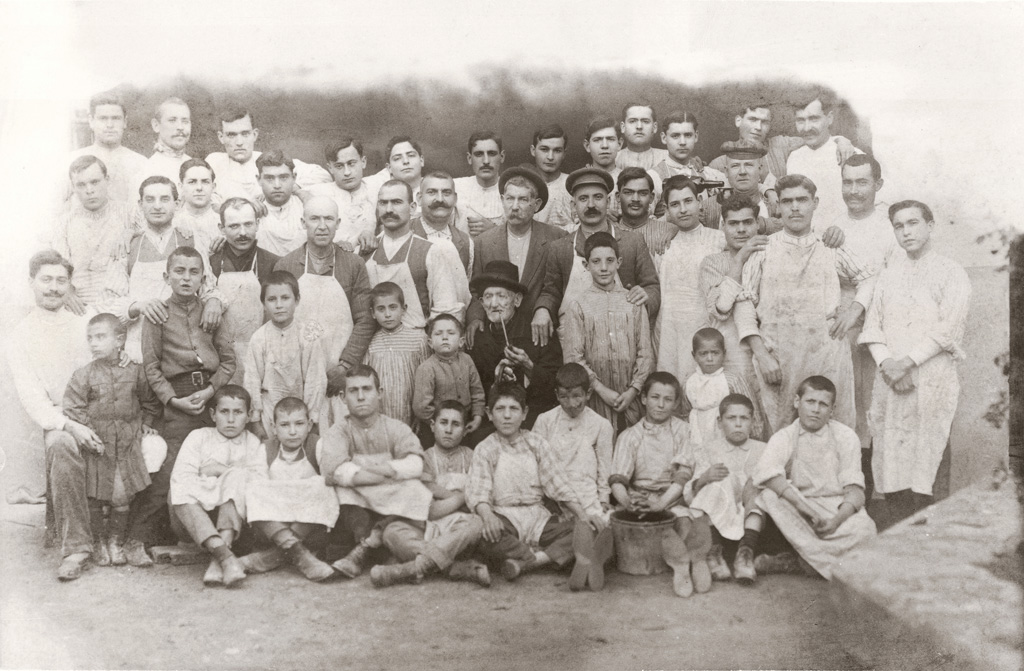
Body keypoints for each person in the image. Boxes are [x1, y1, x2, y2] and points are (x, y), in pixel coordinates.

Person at [734, 175, 874, 434]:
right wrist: (762, 355)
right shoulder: (763, 249)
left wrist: (852, 312)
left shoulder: (830, 246)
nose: (795, 207)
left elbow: (869, 278)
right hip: (778, 359)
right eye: (787, 201)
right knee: (781, 434)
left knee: (831, 432)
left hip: (826, 356)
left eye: (802, 200)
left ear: (815, 203)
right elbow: (744, 303)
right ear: (779, 206)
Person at [859, 200, 971, 522]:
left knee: (928, 457)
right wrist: (887, 366)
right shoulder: (888, 276)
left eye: (913, 223)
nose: (906, 231)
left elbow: (948, 329)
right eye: (899, 226)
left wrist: (906, 363)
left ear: (930, 225)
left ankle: (927, 543)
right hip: (892, 382)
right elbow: (873, 327)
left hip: (929, 380)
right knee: (890, 455)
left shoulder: (951, 272)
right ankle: (897, 538)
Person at [136, 246, 236, 552]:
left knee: (217, 460)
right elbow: (151, 368)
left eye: (194, 272)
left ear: (203, 278)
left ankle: (224, 530)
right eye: (179, 271)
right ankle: (147, 536)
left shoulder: (213, 311)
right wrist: (172, 401)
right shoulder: (157, 316)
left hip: (211, 395)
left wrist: (210, 391)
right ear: (167, 276)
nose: (186, 278)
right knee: (174, 464)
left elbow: (229, 361)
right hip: (177, 399)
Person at [7, 252, 95, 577]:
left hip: (95, 410)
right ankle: (76, 548)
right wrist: (69, 424)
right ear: (32, 283)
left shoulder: (84, 324)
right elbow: (33, 399)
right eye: (46, 280)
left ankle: (127, 539)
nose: (54, 288)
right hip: (58, 417)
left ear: (69, 285)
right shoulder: (20, 337)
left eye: (61, 281)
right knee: (60, 444)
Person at [467, 382, 606, 585]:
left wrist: (583, 516)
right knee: (483, 535)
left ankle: (528, 562)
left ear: (524, 413)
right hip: (505, 516)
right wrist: (488, 517)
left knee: (587, 530)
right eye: (500, 409)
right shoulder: (485, 448)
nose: (507, 416)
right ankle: (548, 557)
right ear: (489, 413)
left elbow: (558, 485)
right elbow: (479, 491)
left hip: (538, 518)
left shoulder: (536, 443)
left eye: (513, 409)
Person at [751, 376, 877, 580]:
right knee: (769, 495)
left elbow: (855, 491)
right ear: (797, 402)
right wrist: (806, 510)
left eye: (823, 404)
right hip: (801, 505)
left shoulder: (845, 436)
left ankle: (801, 563)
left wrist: (837, 520)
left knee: (867, 530)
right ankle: (817, 561)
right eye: (810, 402)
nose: (816, 409)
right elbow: (767, 474)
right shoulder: (785, 436)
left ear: (832, 410)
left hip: (835, 506)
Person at [63, 313, 162, 568]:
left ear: (120, 340)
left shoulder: (135, 371)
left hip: (127, 445)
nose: (93, 343)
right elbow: (73, 407)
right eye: (90, 338)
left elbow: (150, 403)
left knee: (120, 496)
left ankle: (116, 541)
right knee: (94, 496)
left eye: (100, 337)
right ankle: (98, 542)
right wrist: (87, 432)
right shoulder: (83, 374)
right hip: (98, 445)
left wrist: (146, 425)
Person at [320, 365, 434, 578]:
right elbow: (337, 471)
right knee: (341, 487)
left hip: (392, 503)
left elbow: (416, 463)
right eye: (354, 391)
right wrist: (386, 474)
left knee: (413, 487)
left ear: (379, 393)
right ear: (343, 397)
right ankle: (372, 544)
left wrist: (378, 470)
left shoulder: (395, 428)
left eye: (367, 389)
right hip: (358, 505)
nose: (361, 397)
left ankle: (367, 547)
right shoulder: (338, 431)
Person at [816, 154, 897, 453]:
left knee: (883, 399)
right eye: (847, 182)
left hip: (886, 322)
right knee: (852, 400)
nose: (853, 190)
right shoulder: (834, 227)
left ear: (878, 184)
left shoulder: (891, 225)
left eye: (861, 182)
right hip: (849, 326)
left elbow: (886, 276)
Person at [532, 167, 660, 348]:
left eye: (598, 197)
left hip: (623, 341)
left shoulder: (632, 242)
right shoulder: (560, 248)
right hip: (574, 341)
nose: (591, 205)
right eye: (583, 199)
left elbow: (652, 287)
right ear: (572, 205)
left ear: (608, 201)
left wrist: (645, 295)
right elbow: (551, 291)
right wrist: (543, 309)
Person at [609, 372, 711, 598]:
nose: (661, 404)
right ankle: (680, 559)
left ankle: (686, 563)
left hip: (672, 497)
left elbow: (683, 475)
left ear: (676, 403)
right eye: (655, 397)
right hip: (641, 500)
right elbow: (618, 479)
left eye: (668, 399)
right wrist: (629, 502)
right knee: (618, 523)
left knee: (685, 520)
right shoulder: (630, 436)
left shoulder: (684, 431)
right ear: (644, 398)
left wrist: (662, 504)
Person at [275, 196, 374, 425]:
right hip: (297, 374)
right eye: (314, 219)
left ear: (338, 223)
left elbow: (365, 319)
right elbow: (276, 323)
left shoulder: (353, 264)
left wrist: (345, 367)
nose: (322, 226)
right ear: (303, 222)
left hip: (340, 374)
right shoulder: (286, 265)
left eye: (328, 219)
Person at [370, 401, 490, 588]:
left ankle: (412, 568)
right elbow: (431, 511)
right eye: (443, 423)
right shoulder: (423, 459)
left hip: (459, 529)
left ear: (465, 430)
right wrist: (460, 497)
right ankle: (455, 568)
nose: (448, 429)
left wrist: (446, 497)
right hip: (428, 527)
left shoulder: (472, 456)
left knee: (476, 524)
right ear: (433, 426)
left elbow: (474, 503)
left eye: (456, 424)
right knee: (392, 532)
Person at [106, 175, 223, 363]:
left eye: (164, 199)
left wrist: (214, 301)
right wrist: (137, 306)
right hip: (139, 352)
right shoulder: (127, 246)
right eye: (150, 200)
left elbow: (208, 288)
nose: (157, 206)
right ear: (140, 204)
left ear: (177, 204)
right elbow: (108, 301)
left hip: (184, 350)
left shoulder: (191, 240)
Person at [169, 385, 264, 587]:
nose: (231, 420)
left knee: (238, 479)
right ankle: (225, 556)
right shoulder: (199, 437)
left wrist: (219, 471)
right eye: (224, 412)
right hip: (193, 523)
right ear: (213, 414)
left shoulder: (252, 443)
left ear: (248, 416)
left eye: (238, 412)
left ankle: (220, 557)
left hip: (236, 526)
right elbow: (181, 478)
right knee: (178, 487)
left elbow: (260, 482)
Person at [562, 232, 653, 435]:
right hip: (596, 399)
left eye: (610, 261)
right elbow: (574, 357)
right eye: (596, 261)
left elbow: (645, 352)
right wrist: (601, 390)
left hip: (632, 399)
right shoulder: (578, 306)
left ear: (619, 262)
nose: (604, 268)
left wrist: (633, 391)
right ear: (586, 266)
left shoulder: (633, 302)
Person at [241, 397, 339, 582]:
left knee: (323, 484)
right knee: (253, 487)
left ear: (309, 424)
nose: (293, 432)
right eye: (285, 425)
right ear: (274, 426)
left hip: (308, 526)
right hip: (275, 527)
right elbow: (258, 487)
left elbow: (330, 475)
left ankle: (274, 556)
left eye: (299, 424)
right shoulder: (266, 449)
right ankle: (299, 553)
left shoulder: (316, 444)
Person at [465, 167, 564, 346]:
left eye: (523, 199)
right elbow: (475, 290)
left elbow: (557, 285)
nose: (515, 207)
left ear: (537, 204)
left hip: (539, 331)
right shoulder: (484, 242)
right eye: (510, 198)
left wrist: (544, 308)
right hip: (498, 332)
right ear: (502, 200)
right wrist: (475, 318)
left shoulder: (555, 238)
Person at [532, 363, 615, 571]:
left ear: (588, 394)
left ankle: (553, 559)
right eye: (564, 397)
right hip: (554, 497)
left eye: (577, 396)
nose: (571, 404)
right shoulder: (545, 421)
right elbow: (536, 464)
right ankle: (580, 555)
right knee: (551, 527)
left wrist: (604, 499)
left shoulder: (601, 425)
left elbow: (604, 468)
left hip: (587, 496)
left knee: (604, 525)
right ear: (556, 395)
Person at [467, 260, 563, 438]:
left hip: (534, 423)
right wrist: (496, 382)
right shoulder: (477, 339)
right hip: (491, 425)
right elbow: (474, 393)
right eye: (488, 296)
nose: (494, 304)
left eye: (501, 296)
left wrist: (528, 367)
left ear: (517, 300)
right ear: (481, 302)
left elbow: (556, 387)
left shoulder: (538, 331)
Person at [698, 195, 769, 424]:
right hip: (733, 353)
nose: (741, 230)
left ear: (757, 224)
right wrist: (739, 260)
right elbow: (722, 306)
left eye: (747, 222)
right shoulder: (712, 263)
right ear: (723, 226)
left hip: (768, 346)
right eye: (733, 223)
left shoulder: (771, 254)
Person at [683, 394, 767, 584]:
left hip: (752, 512)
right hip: (720, 508)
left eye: (744, 418)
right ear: (720, 422)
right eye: (731, 418)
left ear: (752, 421)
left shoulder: (762, 449)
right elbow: (692, 492)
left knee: (757, 484)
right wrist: (705, 478)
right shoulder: (710, 449)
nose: (738, 424)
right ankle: (714, 553)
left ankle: (745, 554)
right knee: (718, 478)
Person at [363, 179, 468, 329]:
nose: (389, 209)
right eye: (383, 203)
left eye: (397, 202)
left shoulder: (431, 251)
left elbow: (445, 308)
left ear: (412, 208)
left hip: (419, 343)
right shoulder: (367, 251)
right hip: (376, 345)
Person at [656, 176, 726, 384]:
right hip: (672, 331)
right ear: (667, 210)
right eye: (675, 204)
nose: (683, 209)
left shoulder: (719, 240)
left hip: (708, 328)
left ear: (699, 202)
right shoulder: (665, 247)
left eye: (688, 201)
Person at [244, 270, 327, 439]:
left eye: (285, 298)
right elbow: (252, 380)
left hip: (301, 413)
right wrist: (255, 421)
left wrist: (313, 419)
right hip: (270, 412)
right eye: (272, 299)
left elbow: (315, 380)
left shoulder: (307, 335)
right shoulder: (259, 338)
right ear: (263, 303)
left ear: (297, 300)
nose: (279, 305)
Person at [210, 197, 281, 385]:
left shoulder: (274, 263)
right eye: (234, 226)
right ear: (221, 228)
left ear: (257, 224)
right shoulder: (211, 264)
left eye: (248, 224)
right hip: (220, 361)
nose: (243, 233)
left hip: (263, 357)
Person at [52, 155, 134, 309]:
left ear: (107, 180)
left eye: (95, 182)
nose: (89, 190)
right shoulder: (64, 223)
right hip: (76, 305)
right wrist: (66, 292)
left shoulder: (128, 213)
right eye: (81, 185)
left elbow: (157, 235)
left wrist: (132, 233)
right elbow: (58, 267)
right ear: (73, 187)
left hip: (119, 305)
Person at [707, 102, 856, 185]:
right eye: (752, 120)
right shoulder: (719, 164)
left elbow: (815, 138)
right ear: (738, 121)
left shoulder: (780, 145)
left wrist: (841, 140)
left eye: (764, 122)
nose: (758, 127)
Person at [205, 108, 330, 204]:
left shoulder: (269, 161)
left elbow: (323, 175)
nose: (239, 142)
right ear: (221, 137)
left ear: (254, 134)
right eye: (231, 135)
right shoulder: (214, 162)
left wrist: (290, 186)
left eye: (245, 134)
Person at [785, 93, 863, 226]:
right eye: (800, 120)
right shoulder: (794, 158)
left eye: (814, 119)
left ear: (829, 118)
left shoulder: (851, 154)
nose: (807, 128)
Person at [363, 282, 432, 427]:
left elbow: (427, 381)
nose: (387, 314)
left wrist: (420, 415)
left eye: (393, 307)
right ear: (372, 313)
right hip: (379, 417)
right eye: (381, 309)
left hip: (410, 414)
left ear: (404, 309)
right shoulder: (371, 343)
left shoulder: (419, 339)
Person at [65, 92, 147, 205]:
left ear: (125, 122)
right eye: (103, 118)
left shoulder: (141, 163)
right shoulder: (72, 160)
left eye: (116, 118)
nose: (110, 125)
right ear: (91, 121)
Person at [684, 328, 761, 447]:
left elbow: (751, 409)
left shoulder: (732, 379)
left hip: (728, 435)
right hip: (698, 434)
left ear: (724, 353)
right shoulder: (690, 382)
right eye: (703, 353)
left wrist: (756, 436)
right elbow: (685, 412)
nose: (710, 359)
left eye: (715, 353)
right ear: (694, 355)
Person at [412, 314, 485, 438]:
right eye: (438, 333)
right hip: (438, 428)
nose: (445, 337)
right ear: (430, 342)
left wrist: (477, 418)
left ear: (461, 341)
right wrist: (437, 424)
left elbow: (477, 392)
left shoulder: (467, 360)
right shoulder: (427, 368)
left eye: (451, 333)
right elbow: (421, 407)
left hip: (466, 424)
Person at [649, 111, 728, 217]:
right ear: (664, 138)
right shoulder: (653, 178)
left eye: (688, 135)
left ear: (696, 136)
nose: (682, 142)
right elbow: (645, 224)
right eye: (675, 136)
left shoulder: (712, 175)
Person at [306, 138, 375, 248]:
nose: (347, 172)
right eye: (339, 166)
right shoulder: (317, 193)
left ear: (363, 162)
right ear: (330, 168)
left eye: (351, 164)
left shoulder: (377, 188)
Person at [701, 140, 782, 233]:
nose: (742, 172)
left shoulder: (775, 205)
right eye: (735, 166)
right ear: (726, 172)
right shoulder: (709, 208)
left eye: (748, 165)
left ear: (759, 170)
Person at [613, 167, 676, 271]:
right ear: (618, 197)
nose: (635, 199)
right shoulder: (609, 230)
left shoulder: (668, 232)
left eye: (642, 193)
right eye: (628, 192)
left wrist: (675, 229)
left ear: (651, 197)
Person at [414, 170, 474, 272]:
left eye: (446, 193)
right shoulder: (403, 234)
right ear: (419, 198)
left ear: (455, 199)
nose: (440, 199)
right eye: (432, 192)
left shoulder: (466, 243)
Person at [254, 150, 307, 256]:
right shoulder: (252, 210)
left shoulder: (306, 207)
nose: (277, 185)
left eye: (283, 177)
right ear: (259, 180)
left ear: (294, 177)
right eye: (269, 178)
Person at [453, 131, 505, 236]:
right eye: (479, 154)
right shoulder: (455, 187)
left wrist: (495, 230)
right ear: (469, 158)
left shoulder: (513, 190)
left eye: (492, 153)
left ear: (502, 156)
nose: (486, 161)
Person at [364, 136, 426, 218]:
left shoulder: (436, 188)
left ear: (421, 161)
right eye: (397, 158)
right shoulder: (375, 185)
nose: (406, 161)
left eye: (411, 155)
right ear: (389, 168)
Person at [530, 124, 575, 231]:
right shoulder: (524, 187)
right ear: (533, 150)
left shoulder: (573, 185)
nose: (550, 157)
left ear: (564, 153)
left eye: (557, 150)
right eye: (544, 149)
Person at [172, 159, 221, 255]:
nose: (199, 188)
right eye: (192, 182)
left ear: (213, 186)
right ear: (181, 186)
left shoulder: (224, 224)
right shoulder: (173, 224)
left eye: (205, 182)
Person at [141, 97, 192, 184]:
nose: (180, 127)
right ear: (156, 125)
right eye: (172, 120)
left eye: (185, 121)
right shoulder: (147, 170)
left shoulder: (195, 167)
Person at [615, 100, 668, 170]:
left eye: (645, 121)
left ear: (654, 127)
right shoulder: (613, 158)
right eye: (632, 121)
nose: (639, 126)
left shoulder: (668, 157)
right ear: (623, 127)